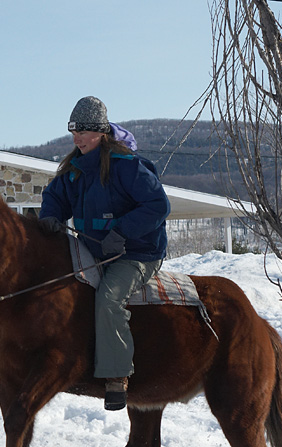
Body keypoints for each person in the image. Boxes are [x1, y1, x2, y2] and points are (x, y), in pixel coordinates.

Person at [39, 96, 170, 411]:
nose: (77, 138)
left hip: (136, 253)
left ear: (101, 133)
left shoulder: (128, 166)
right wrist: (50, 215)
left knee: (108, 298)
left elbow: (158, 206)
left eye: (83, 132)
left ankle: (116, 377)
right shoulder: (76, 169)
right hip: (95, 251)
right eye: (74, 132)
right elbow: (55, 196)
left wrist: (122, 231)